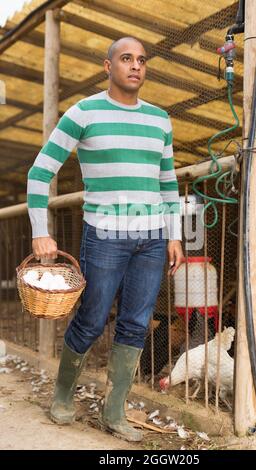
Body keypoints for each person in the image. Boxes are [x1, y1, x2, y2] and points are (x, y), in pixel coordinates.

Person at [27, 36, 183, 442]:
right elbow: (39, 173)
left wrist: (174, 236)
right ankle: (63, 394)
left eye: (142, 61)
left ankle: (113, 412)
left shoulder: (160, 119)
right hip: (104, 237)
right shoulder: (83, 113)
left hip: (151, 238)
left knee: (135, 324)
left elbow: (168, 183)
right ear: (108, 66)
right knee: (92, 320)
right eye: (126, 59)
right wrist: (40, 233)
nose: (135, 66)